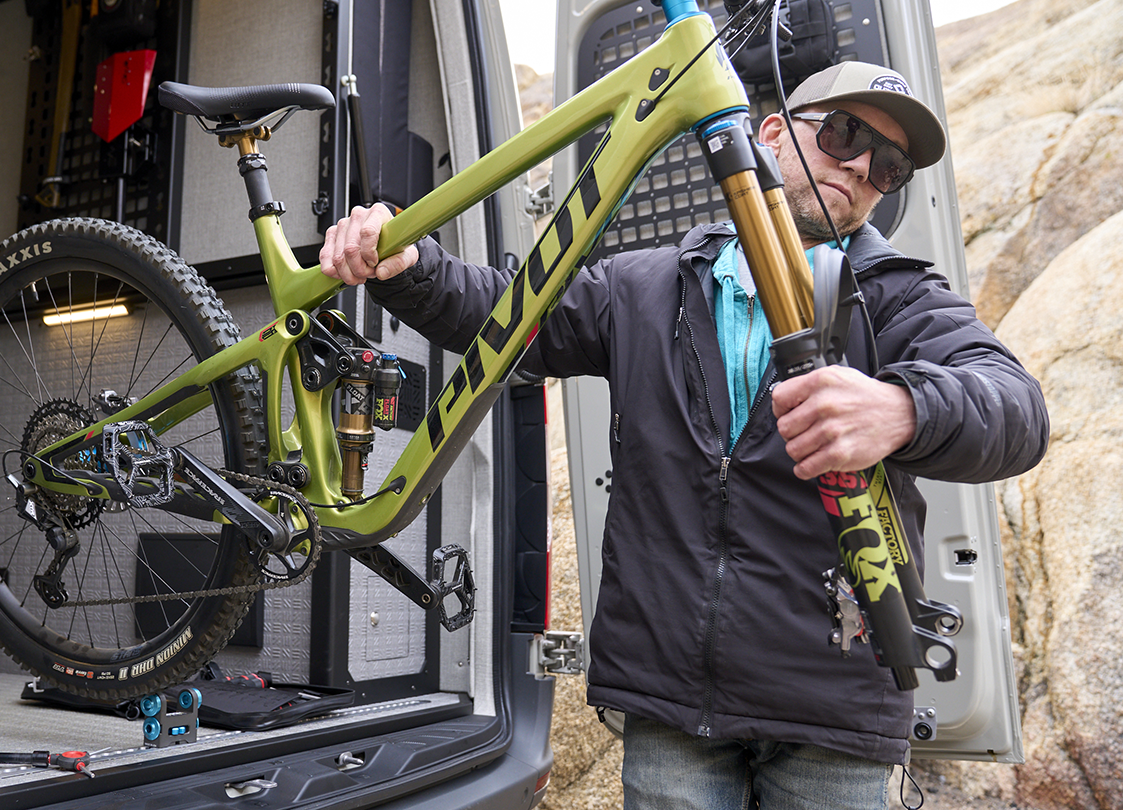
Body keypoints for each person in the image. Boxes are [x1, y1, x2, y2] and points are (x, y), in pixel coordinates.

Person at [318, 61, 1048, 809]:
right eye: (844, 133)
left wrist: (905, 409)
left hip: (832, 711)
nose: (860, 166)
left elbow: (1018, 410)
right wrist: (409, 264)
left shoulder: (899, 298)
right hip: (670, 704)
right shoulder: (644, 284)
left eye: (888, 166)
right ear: (770, 134)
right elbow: (513, 316)